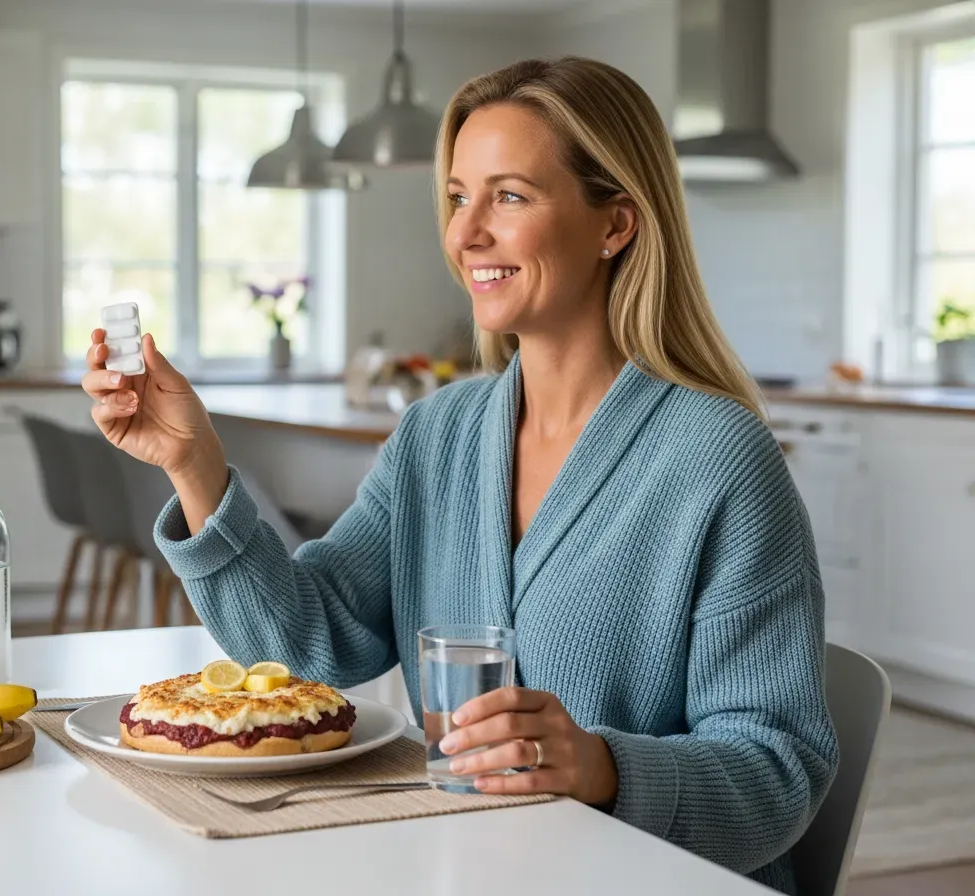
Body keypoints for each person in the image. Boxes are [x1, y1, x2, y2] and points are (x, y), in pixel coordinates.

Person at [81, 57, 838, 894]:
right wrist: (194, 463)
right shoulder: (436, 436)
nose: (465, 232)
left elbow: (781, 774)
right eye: (456, 196)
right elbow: (312, 642)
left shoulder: (716, 458)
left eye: (509, 196)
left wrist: (603, 768)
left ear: (615, 224)